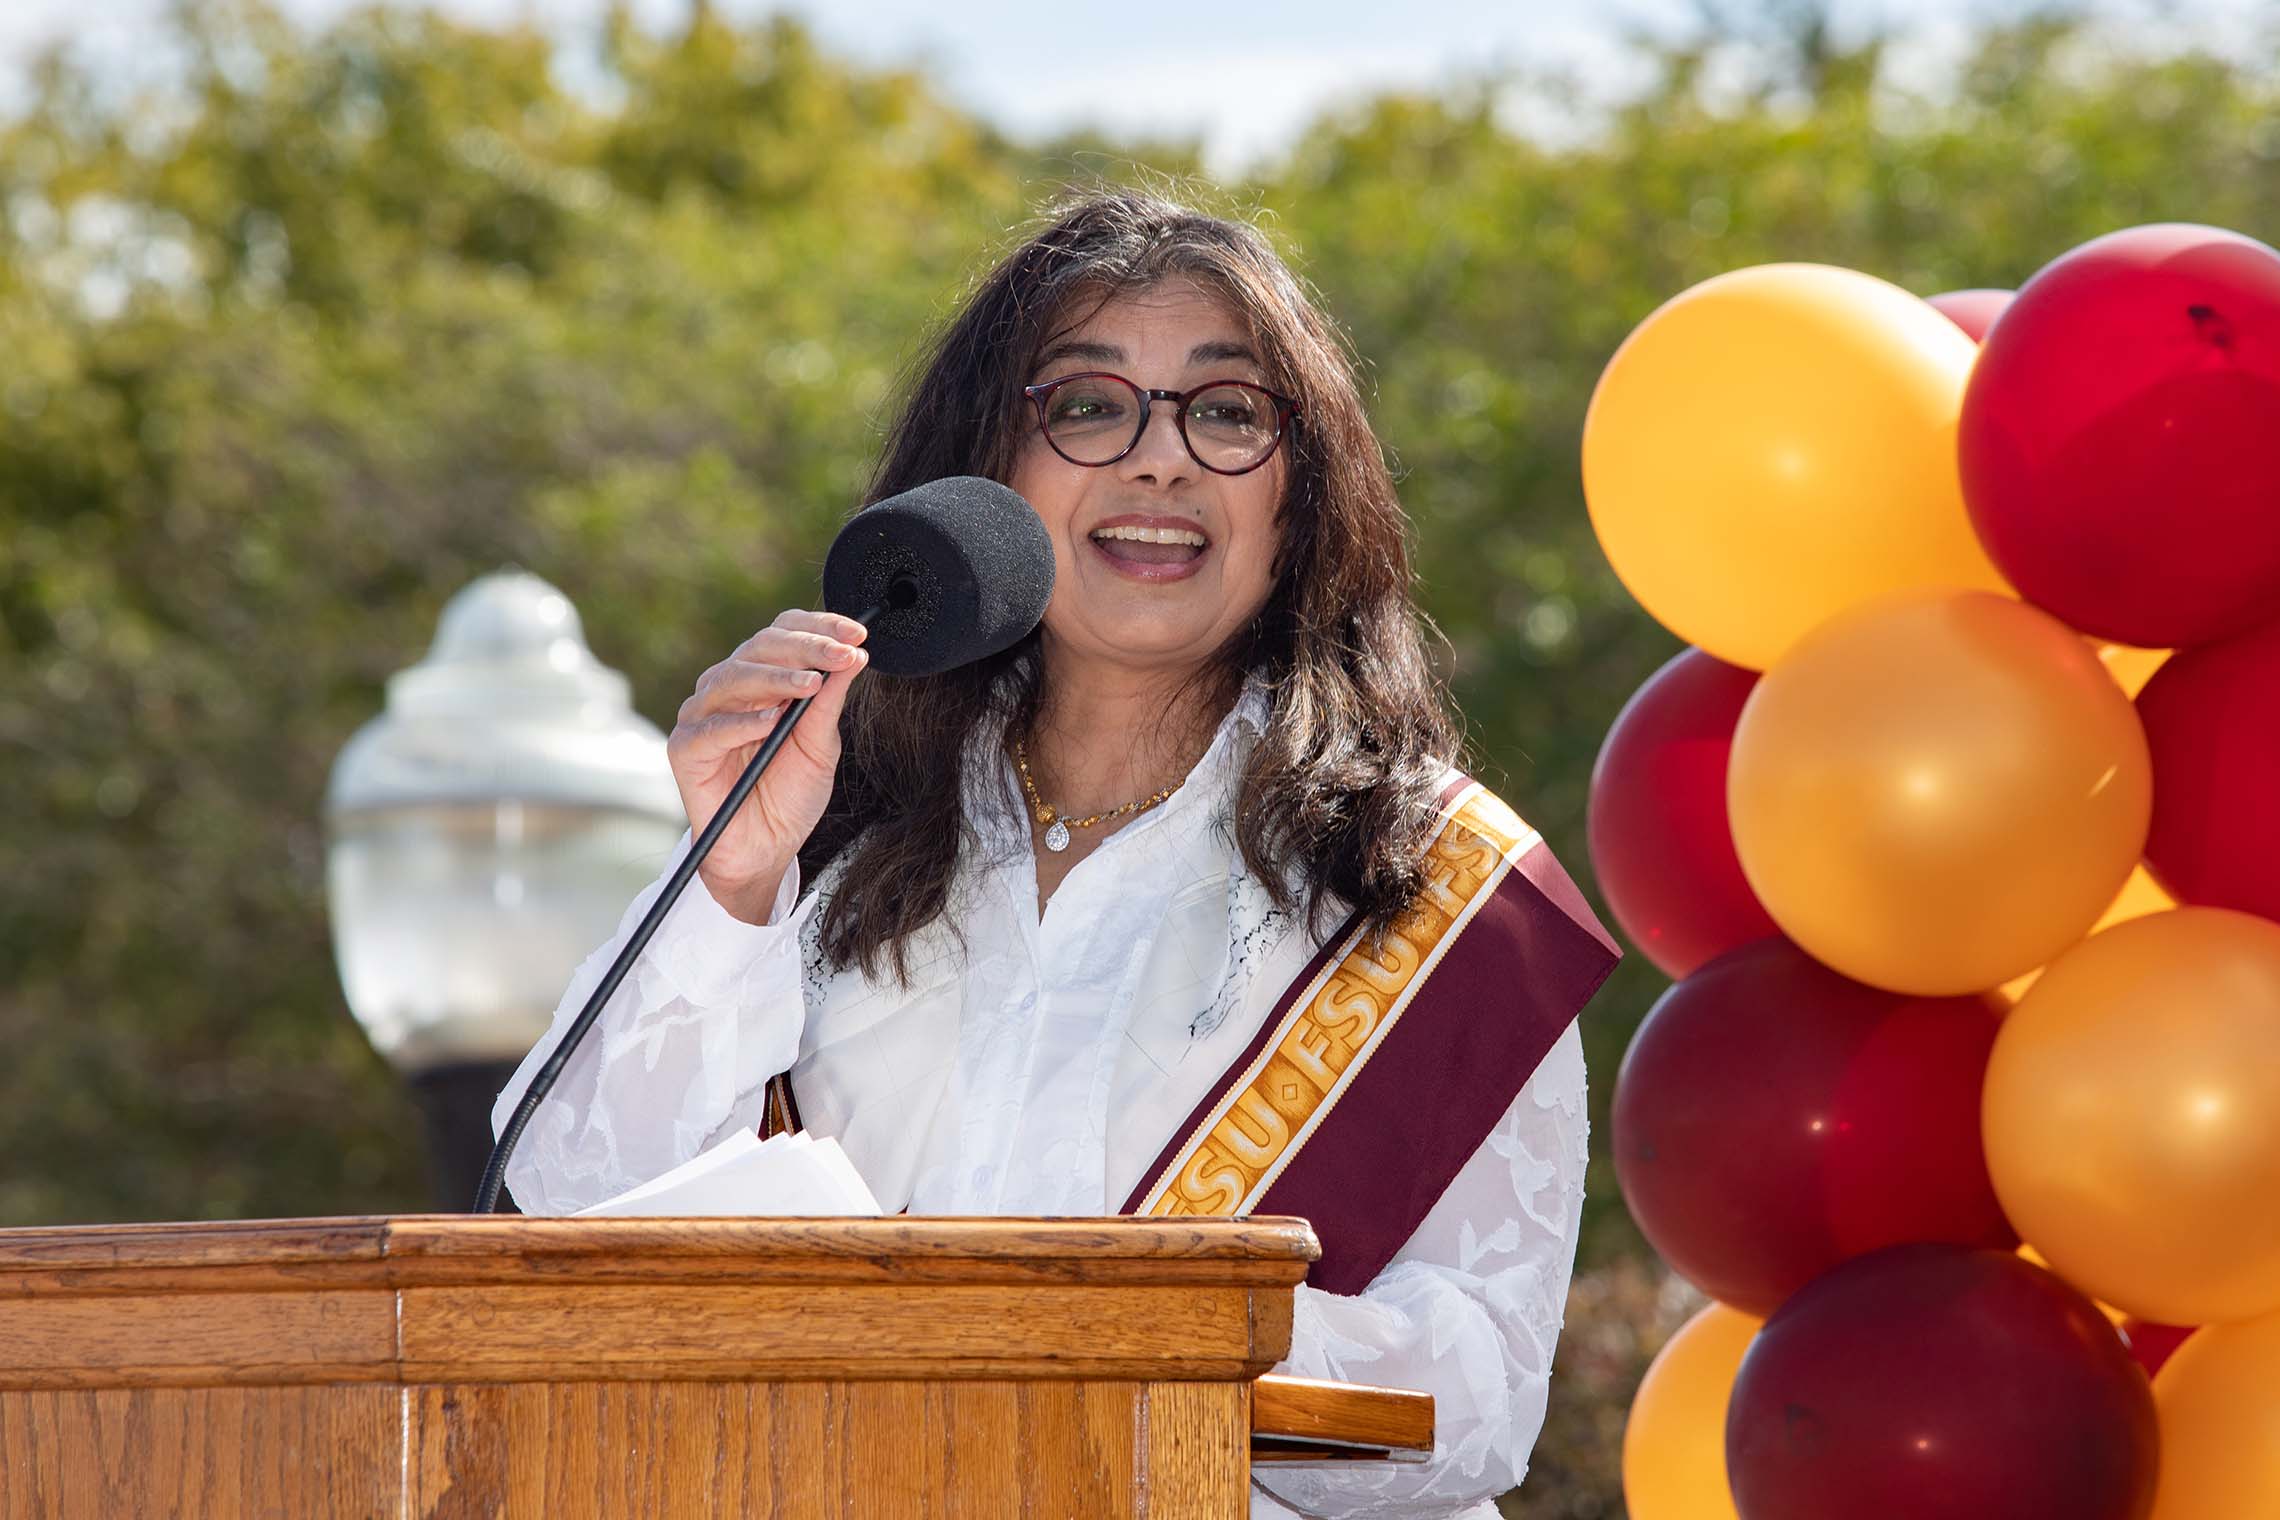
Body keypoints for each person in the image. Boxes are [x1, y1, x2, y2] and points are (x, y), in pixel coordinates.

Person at [493, 189, 1619, 1519]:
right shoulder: (832, 836)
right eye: (1088, 406)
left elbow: (1478, 1401)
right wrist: (733, 882)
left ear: (1302, 494)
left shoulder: (1428, 882)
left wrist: (1097, 1335)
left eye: (1228, 412)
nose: (1161, 462)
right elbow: (569, 1211)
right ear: (990, 476)